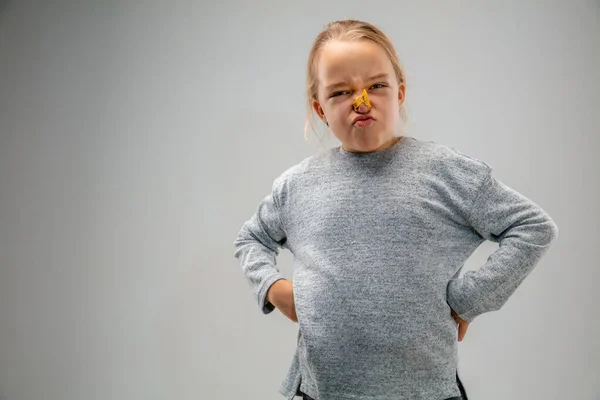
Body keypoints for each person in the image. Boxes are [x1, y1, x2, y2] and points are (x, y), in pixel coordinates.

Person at [233, 19, 558, 400]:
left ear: (400, 93)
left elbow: (533, 227)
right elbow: (251, 239)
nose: (361, 101)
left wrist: (470, 299)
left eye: (376, 86)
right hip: (322, 392)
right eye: (340, 92)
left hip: (426, 392)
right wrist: (274, 288)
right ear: (320, 109)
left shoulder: (445, 172)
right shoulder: (297, 186)